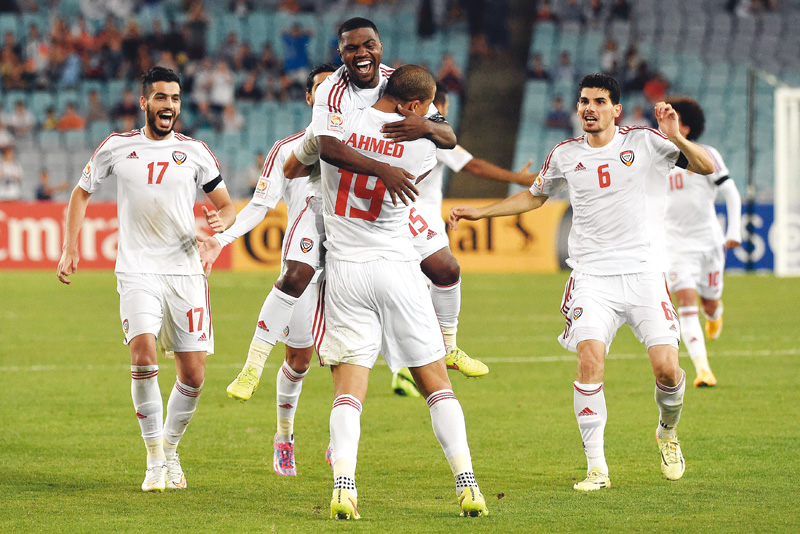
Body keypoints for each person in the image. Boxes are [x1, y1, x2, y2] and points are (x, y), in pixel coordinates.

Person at [449, 74, 715, 491]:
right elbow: (535, 195)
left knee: (667, 370)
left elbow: (706, 166)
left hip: (645, 274)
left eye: (600, 101)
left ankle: (667, 432)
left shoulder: (646, 142)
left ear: (616, 109)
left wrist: (677, 137)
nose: (590, 108)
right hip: (592, 277)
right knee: (590, 360)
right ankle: (597, 469)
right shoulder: (565, 154)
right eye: (584, 101)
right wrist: (482, 213)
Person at [223, 17, 487, 407]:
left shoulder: (398, 83)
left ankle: (448, 346)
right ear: (340, 54)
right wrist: (384, 167)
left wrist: (426, 127)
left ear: (380, 45)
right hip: (330, 199)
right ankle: (253, 364)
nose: (361, 54)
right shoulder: (333, 89)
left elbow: (449, 137)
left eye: (368, 45)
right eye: (351, 48)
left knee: (446, 267)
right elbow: (325, 148)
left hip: (382, 204)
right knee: (296, 277)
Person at [316, 64, 487, 520]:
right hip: (397, 267)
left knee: (348, 392)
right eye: (428, 107)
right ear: (414, 106)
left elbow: (327, 145)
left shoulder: (344, 121)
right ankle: (467, 483)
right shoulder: (421, 149)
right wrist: (428, 126)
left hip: (346, 270)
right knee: (436, 386)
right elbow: (447, 140)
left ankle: (344, 487)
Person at [56, 66, 236, 493]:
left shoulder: (196, 152)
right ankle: (154, 458)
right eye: (160, 97)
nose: (168, 105)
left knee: (192, 375)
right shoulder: (117, 147)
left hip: (186, 271)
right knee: (142, 357)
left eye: (174, 98)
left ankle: (171, 450)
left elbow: (227, 207)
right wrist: (70, 246)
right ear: (143, 102)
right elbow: (81, 191)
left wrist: (218, 228)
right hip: (136, 268)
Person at [197, 63, 339, 477]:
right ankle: (284, 437)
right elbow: (260, 206)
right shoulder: (289, 149)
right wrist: (222, 238)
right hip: (302, 262)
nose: (328, 92)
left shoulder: (361, 144)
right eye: (319, 87)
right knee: (299, 358)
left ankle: (338, 441)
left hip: (349, 261)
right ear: (311, 98)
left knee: (346, 357)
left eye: (335, 86)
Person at [392, 82, 537, 396]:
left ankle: (408, 369)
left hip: (410, 220)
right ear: (438, 107)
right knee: (442, 276)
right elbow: (474, 166)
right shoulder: (432, 133)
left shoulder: (409, 131)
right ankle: (442, 352)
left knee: (418, 294)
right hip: (415, 219)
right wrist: (520, 178)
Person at [664, 98, 742, 388]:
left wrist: (733, 230)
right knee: (685, 305)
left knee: (709, 302)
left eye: (672, 118)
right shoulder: (659, 157)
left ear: (684, 126)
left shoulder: (708, 155)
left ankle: (715, 313)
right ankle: (703, 370)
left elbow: (730, 191)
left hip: (709, 243)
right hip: (675, 246)